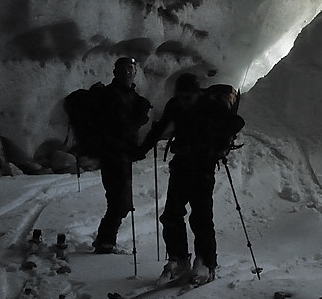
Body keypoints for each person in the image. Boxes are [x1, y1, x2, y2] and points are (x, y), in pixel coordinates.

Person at [137, 73, 241, 285]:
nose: (183, 101)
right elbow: (160, 127)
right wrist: (140, 150)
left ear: (197, 93)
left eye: (188, 97)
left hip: (203, 166)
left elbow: (237, 122)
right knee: (171, 214)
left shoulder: (212, 105)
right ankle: (179, 259)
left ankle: (206, 263)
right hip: (182, 163)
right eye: (181, 96)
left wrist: (217, 145)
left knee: (201, 216)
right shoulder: (175, 104)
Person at [85, 57, 151, 254]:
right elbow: (121, 127)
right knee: (119, 200)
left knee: (119, 199)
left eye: (131, 69)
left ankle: (106, 240)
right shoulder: (112, 95)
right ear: (115, 73)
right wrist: (140, 116)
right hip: (114, 154)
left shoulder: (126, 95)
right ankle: (105, 241)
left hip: (120, 154)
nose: (128, 73)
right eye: (124, 70)